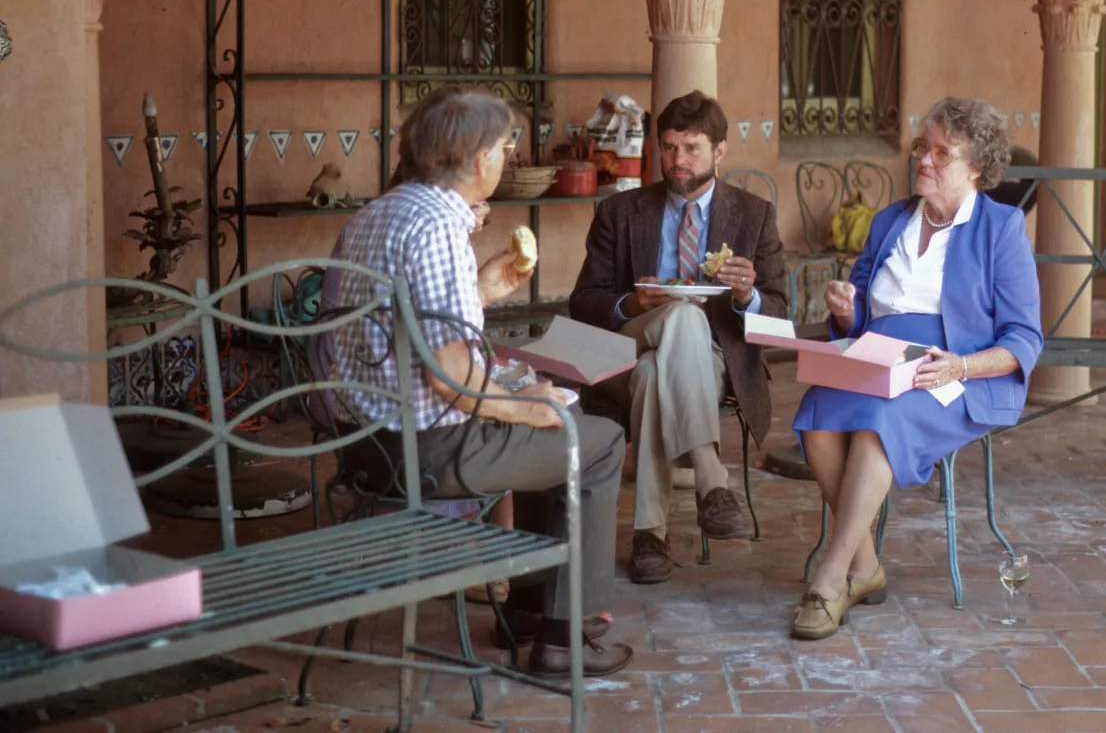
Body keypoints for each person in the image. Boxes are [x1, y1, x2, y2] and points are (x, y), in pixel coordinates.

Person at [320, 85, 634, 677]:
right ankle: (568, 635)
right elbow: (454, 384)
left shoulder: (376, 212)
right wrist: (524, 405)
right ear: (482, 155)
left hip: (362, 442)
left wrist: (483, 290)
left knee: (550, 440)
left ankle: (528, 614)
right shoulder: (439, 225)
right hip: (426, 450)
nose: (508, 157)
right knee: (594, 442)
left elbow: (399, 328)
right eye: (506, 145)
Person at [789, 97, 1042, 640]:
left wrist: (963, 366)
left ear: (976, 167)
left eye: (941, 153)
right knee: (815, 420)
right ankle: (866, 565)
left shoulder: (1000, 228)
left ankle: (833, 576)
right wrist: (844, 309)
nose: (924, 160)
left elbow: (1024, 338)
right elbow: (860, 315)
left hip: (945, 370)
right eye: (921, 148)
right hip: (875, 358)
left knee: (883, 423)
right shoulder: (889, 221)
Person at [570, 90, 788, 584]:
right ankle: (711, 475)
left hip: (712, 365)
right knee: (678, 319)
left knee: (658, 370)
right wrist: (633, 302)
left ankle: (650, 536)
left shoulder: (754, 215)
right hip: (628, 349)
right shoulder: (621, 211)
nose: (678, 160)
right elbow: (583, 300)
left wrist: (747, 295)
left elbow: (778, 312)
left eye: (692, 148)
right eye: (669, 147)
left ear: (719, 151)